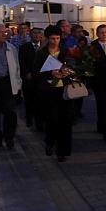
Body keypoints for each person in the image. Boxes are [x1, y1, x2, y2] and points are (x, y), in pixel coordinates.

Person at [33, 25, 73, 162]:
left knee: (65, 121)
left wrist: (67, 72)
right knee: (52, 120)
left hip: (64, 91)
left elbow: (73, 67)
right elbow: (35, 73)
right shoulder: (41, 54)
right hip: (48, 91)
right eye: (52, 38)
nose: (55, 41)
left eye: (57, 38)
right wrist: (50, 73)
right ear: (47, 39)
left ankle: (62, 151)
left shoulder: (65, 52)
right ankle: (49, 141)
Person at [90, 24, 106, 141]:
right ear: (97, 34)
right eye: (101, 32)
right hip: (99, 80)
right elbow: (90, 64)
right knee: (102, 105)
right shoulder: (93, 46)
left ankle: (101, 124)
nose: (104, 34)